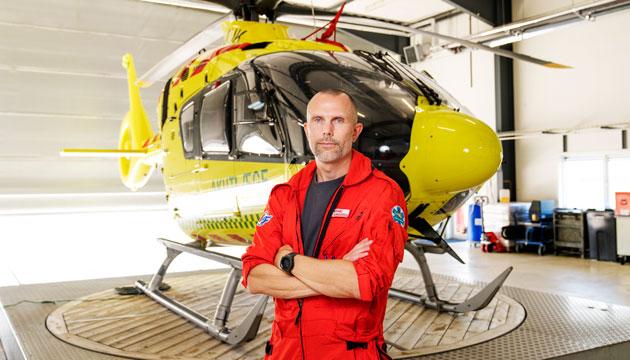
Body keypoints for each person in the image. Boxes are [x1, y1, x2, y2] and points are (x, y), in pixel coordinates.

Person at [241, 89, 408, 359]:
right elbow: (254, 277)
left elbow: (364, 284)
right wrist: (335, 272)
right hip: (286, 352)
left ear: (355, 131)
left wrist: (288, 262)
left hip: (348, 353)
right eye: (318, 120)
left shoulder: (383, 194)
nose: (327, 131)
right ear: (307, 130)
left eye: (338, 121)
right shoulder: (285, 194)